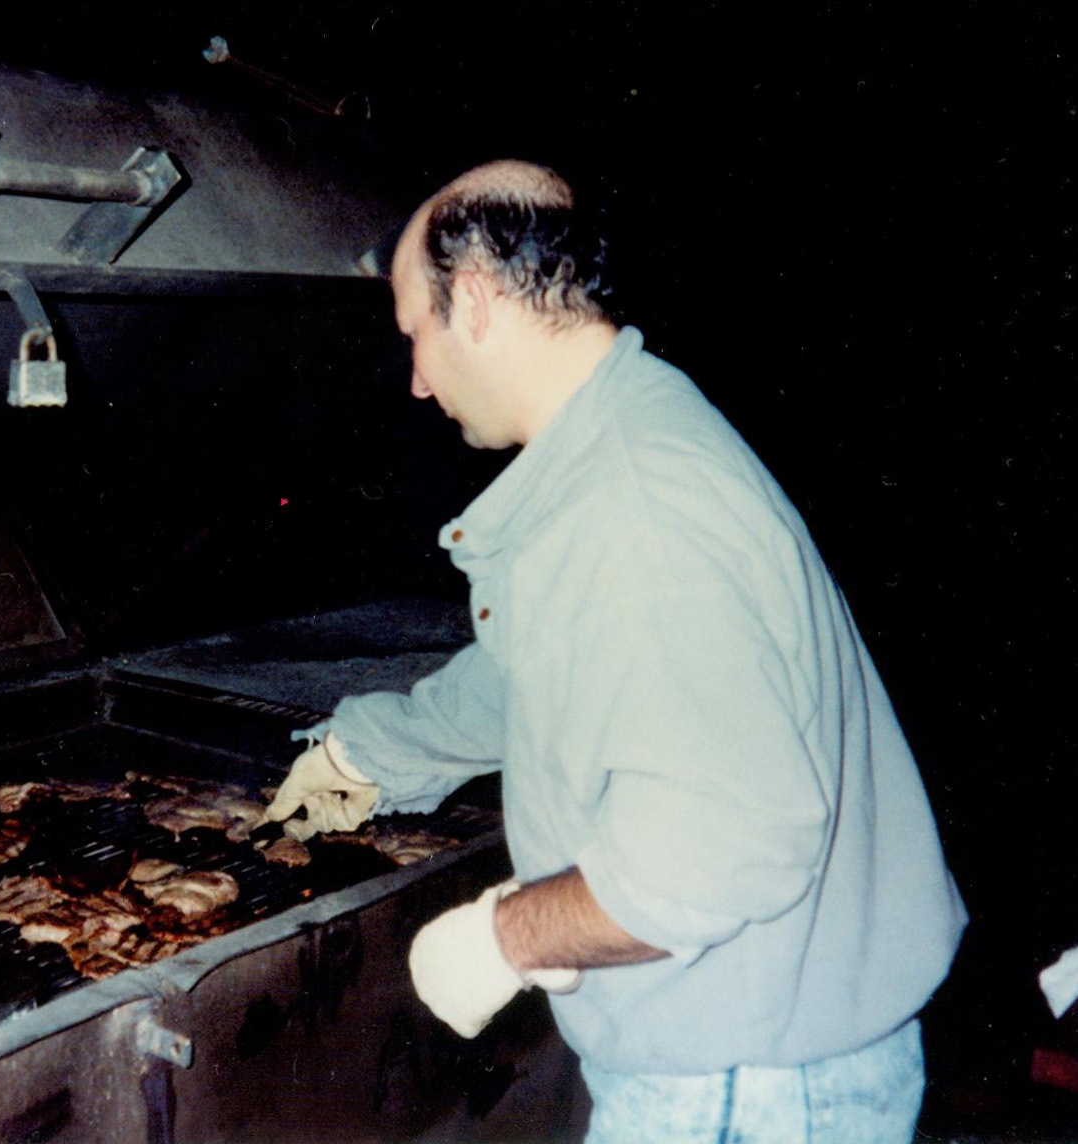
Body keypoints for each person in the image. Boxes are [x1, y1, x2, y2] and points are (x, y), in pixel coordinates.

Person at [263, 159, 968, 1144]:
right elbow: (540, 670)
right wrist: (370, 751)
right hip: (758, 1046)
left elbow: (720, 850)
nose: (416, 380)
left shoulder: (634, 506)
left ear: (472, 300)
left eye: (413, 333)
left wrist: (501, 935)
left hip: (748, 1080)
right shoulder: (619, 435)